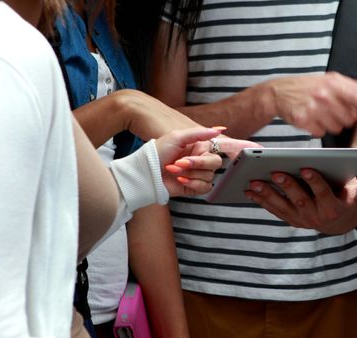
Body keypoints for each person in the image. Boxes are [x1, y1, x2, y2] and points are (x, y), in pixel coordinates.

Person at [131, 0, 357, 336]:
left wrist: (354, 204)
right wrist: (264, 100)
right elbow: (156, 128)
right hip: (197, 289)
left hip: (338, 290)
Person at [0, 0, 236, 335]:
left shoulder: (96, 29)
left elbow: (68, 224)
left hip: (94, 314)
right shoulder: (10, 44)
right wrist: (123, 109)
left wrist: (146, 175)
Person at [52, 2, 257, 336]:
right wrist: (124, 108)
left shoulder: (109, 27)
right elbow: (28, 153)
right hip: (50, 309)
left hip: (112, 315)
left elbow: (146, 200)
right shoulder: (20, 25)